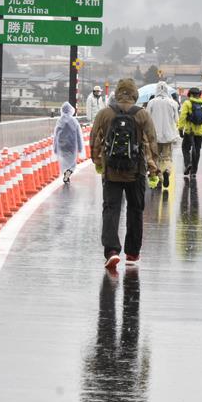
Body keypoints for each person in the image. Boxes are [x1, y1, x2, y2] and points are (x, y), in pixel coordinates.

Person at [91, 78, 159, 270]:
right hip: (136, 171)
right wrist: (154, 170)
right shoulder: (142, 114)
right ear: (134, 94)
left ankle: (111, 251)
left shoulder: (105, 113)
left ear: (118, 92)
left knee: (111, 209)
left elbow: (94, 138)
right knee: (135, 210)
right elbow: (151, 143)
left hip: (111, 171)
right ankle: (132, 252)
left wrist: (97, 162)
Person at [146, 81, 180, 190]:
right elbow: (177, 120)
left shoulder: (151, 102)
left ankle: (159, 177)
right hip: (169, 135)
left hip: (154, 136)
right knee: (167, 157)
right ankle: (166, 171)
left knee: (155, 157)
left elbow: (147, 119)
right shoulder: (173, 103)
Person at [178, 87, 202, 180]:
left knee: (185, 148)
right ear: (199, 94)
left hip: (189, 131)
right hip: (200, 132)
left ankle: (188, 163)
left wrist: (180, 129)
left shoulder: (187, 103)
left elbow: (183, 117)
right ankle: (194, 172)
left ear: (190, 94)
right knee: (197, 150)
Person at [53, 102, 83, 183]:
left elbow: (56, 135)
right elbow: (78, 135)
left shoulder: (59, 121)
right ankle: (68, 174)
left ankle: (65, 173)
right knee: (72, 163)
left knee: (64, 161)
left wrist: (55, 148)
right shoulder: (74, 121)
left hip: (61, 145)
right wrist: (80, 147)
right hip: (71, 146)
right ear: (71, 110)